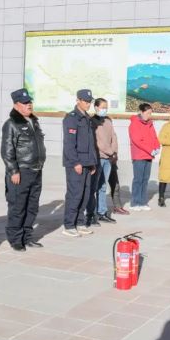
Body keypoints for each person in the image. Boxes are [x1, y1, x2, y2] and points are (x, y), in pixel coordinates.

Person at [1, 88, 46, 251]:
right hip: (21, 172)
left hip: (36, 170)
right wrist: (13, 171)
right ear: (16, 105)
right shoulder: (12, 124)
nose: (29, 105)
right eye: (25, 103)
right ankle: (15, 239)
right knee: (18, 207)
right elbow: (7, 150)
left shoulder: (34, 121)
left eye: (30, 102)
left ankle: (27, 237)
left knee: (32, 207)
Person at [62, 89, 98, 237]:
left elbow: (90, 143)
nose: (88, 104)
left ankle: (80, 222)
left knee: (85, 194)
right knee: (75, 194)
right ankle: (69, 225)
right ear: (78, 100)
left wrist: (92, 162)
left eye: (90, 101)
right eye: (85, 101)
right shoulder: (72, 118)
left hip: (87, 163)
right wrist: (75, 162)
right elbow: (69, 144)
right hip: (76, 163)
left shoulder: (87, 118)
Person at [87, 98, 118, 225]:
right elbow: (97, 142)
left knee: (103, 186)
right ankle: (90, 214)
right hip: (98, 158)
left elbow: (113, 137)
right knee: (93, 187)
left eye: (106, 107)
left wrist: (114, 151)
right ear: (96, 107)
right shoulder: (92, 122)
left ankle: (102, 213)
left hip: (108, 159)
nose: (104, 109)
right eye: (102, 107)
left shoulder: (108, 121)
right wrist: (110, 151)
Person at [128, 103, 160, 211]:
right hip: (139, 155)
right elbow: (137, 140)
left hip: (149, 155)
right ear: (141, 112)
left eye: (150, 113)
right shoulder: (134, 123)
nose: (149, 115)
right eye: (147, 113)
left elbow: (154, 137)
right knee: (138, 179)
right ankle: (135, 202)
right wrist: (150, 150)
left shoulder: (150, 124)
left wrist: (157, 147)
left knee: (145, 179)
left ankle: (143, 202)